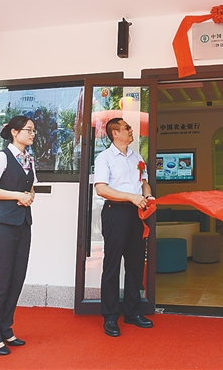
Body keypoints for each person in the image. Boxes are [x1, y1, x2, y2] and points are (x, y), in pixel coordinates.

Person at [0, 116, 37, 356]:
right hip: (2, 226)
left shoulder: (29, 159)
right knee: (1, 281)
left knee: (16, 279)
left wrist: (29, 195)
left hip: (23, 224)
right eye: (28, 130)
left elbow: (30, 187)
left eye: (33, 131)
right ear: (14, 132)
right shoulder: (1, 157)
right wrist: (17, 195)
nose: (32, 134)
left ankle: (5, 329)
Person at [94, 117, 155, 337]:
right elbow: (101, 189)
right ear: (115, 133)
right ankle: (110, 316)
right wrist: (131, 197)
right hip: (115, 212)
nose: (131, 131)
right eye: (126, 128)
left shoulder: (137, 157)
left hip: (136, 214)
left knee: (136, 263)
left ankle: (132, 312)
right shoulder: (105, 158)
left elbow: (144, 182)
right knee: (112, 265)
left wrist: (147, 196)